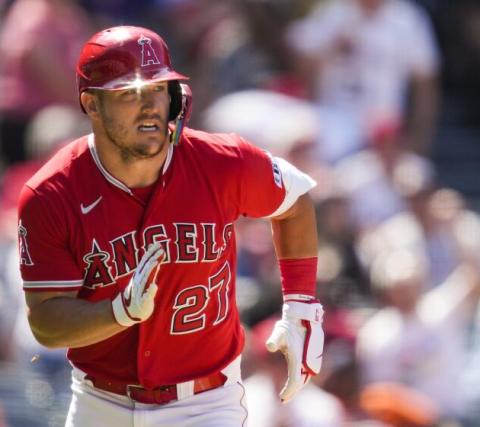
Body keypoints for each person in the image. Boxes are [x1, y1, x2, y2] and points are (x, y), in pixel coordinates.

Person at [17, 26, 325, 426]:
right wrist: (119, 312)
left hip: (207, 403)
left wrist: (300, 302)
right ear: (92, 105)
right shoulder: (51, 193)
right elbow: (46, 324)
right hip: (101, 402)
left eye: (158, 90)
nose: (149, 107)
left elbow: (295, 200)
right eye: (129, 94)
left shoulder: (221, 161)